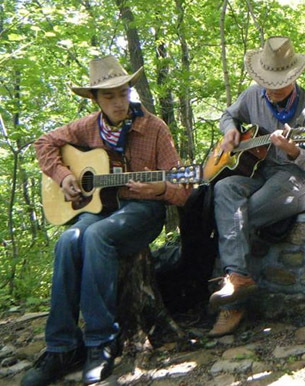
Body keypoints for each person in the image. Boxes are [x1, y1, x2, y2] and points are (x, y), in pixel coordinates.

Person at [23, 55, 190, 386]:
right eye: (109, 96)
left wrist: (161, 186)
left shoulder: (154, 128)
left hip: (142, 211)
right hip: (100, 209)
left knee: (97, 236)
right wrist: (62, 175)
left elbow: (183, 190)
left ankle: (100, 344)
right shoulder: (86, 127)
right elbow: (44, 143)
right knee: (68, 241)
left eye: (123, 92)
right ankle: (61, 347)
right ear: (95, 99)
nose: (118, 101)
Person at [208, 36, 305, 337]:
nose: (271, 88)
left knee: (236, 215)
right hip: (260, 170)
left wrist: (294, 151)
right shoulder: (252, 95)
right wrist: (230, 131)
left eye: (278, 82)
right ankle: (238, 278)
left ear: (294, 76)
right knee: (224, 190)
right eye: (266, 81)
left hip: (297, 177)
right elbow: (228, 115)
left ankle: (233, 299)